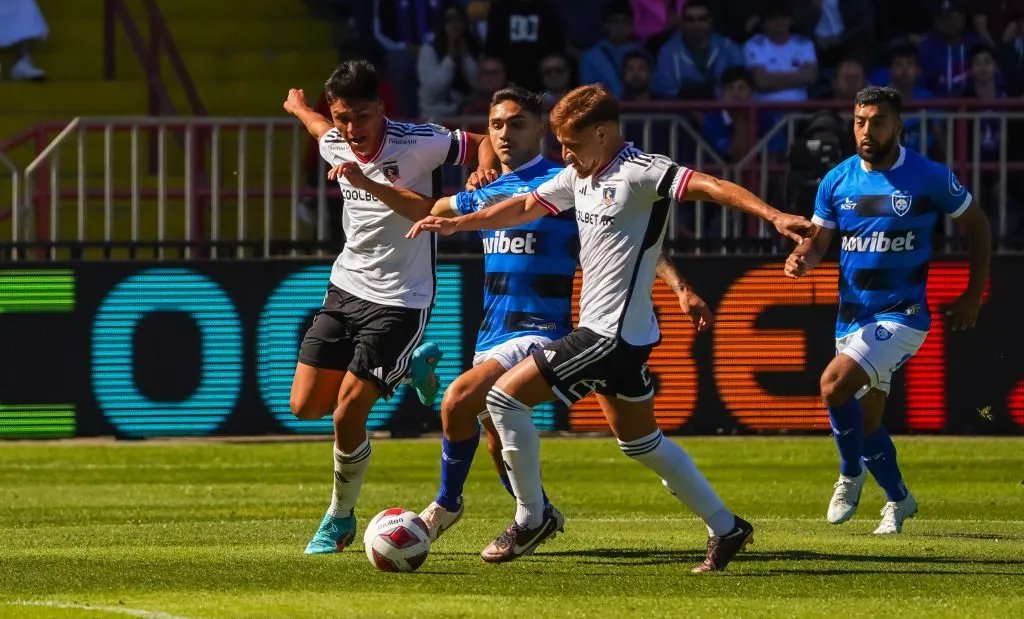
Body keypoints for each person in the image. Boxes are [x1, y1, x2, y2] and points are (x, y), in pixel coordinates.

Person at [407, 84, 814, 570]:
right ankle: (728, 528)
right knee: (643, 444)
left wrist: (774, 215)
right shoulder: (578, 175)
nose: (563, 154)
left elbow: (710, 185)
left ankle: (532, 516)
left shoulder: (642, 171)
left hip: (607, 337)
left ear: (602, 133)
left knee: (501, 399)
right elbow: (521, 207)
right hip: (624, 340)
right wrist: (457, 225)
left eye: (571, 143)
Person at [345, 85, 713, 543]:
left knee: (458, 401)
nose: (504, 134)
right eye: (496, 125)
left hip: (541, 330)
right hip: (492, 333)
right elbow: (425, 209)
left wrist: (679, 286)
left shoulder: (573, 179)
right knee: (499, 442)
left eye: (517, 124)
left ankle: (448, 504)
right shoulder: (487, 192)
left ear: (542, 130)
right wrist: (365, 184)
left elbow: (635, 236)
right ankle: (540, 514)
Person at [281, 59, 499, 555]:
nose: (351, 129)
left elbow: (439, 193)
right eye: (342, 117)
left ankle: (338, 518)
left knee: (346, 414)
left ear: (381, 107)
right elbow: (319, 128)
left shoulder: (419, 140)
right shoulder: (335, 137)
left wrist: (484, 164)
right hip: (345, 288)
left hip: (403, 298)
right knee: (305, 406)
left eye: (361, 116)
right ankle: (411, 368)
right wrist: (299, 107)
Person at [784, 86, 991, 534]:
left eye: (877, 122)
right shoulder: (836, 180)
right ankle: (899, 499)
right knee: (869, 421)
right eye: (860, 121)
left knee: (832, 384)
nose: (866, 130)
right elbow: (820, 244)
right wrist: (802, 258)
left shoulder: (928, 176)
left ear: (898, 125)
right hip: (853, 316)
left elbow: (978, 224)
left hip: (903, 315)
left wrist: (974, 293)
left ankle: (849, 473)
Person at [416, 4, 481, 118]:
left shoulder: (474, 47)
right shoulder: (429, 50)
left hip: (468, 113)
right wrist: (450, 58)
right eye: (449, 21)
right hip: (435, 114)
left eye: (458, 20)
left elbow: (480, 84)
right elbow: (432, 90)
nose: (454, 25)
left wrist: (466, 57)